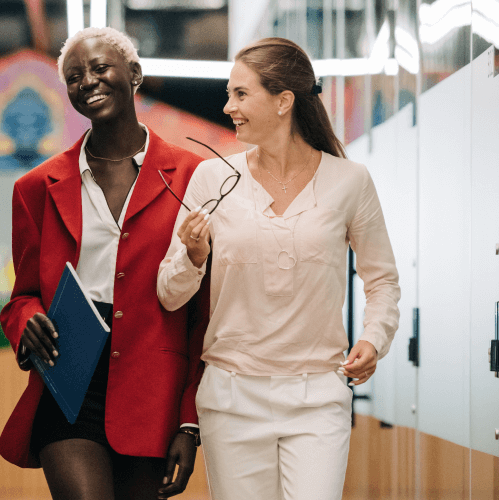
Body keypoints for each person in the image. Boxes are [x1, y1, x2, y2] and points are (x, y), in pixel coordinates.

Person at [157, 37, 400, 500]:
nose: (228, 106)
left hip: (318, 398)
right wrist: (193, 257)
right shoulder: (212, 179)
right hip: (231, 398)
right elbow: (169, 293)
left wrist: (374, 337)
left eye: (241, 94)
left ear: (284, 101)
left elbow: (383, 280)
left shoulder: (350, 181)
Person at [0, 27, 209, 500]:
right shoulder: (36, 188)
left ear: (133, 73)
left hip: (153, 388)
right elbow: (22, 296)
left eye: (99, 68)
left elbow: (203, 313)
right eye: (74, 77)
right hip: (69, 379)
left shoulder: (194, 176)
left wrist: (189, 423)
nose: (87, 81)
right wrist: (27, 319)